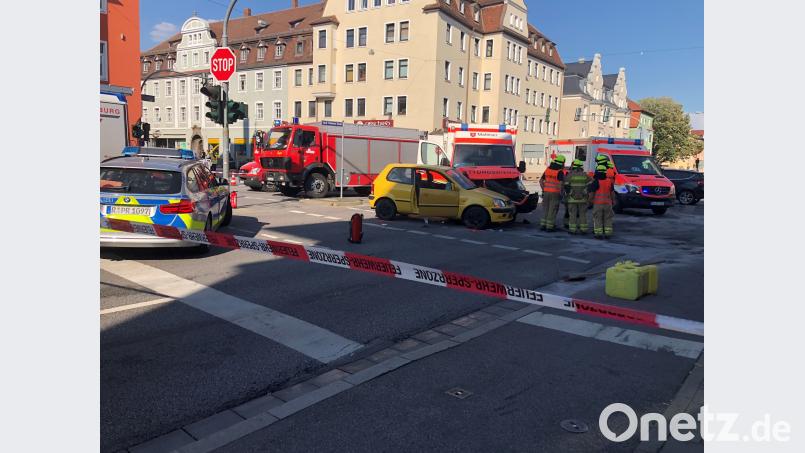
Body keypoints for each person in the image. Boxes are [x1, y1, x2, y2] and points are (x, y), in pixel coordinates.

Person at [539, 154, 566, 232]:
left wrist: (544, 189)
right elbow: (561, 184)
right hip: (555, 193)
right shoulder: (559, 172)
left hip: (546, 192)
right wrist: (561, 192)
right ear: (562, 163)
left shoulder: (547, 170)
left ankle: (543, 225)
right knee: (552, 210)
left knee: (546, 209)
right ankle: (549, 227)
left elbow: (541, 181)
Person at [564, 159, 591, 234]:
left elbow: (566, 186)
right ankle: (584, 229)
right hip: (583, 199)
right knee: (582, 214)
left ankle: (572, 230)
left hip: (572, 198)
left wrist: (569, 193)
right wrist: (585, 192)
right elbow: (591, 184)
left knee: (572, 214)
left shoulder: (570, 175)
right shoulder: (585, 175)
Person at [588, 164, 615, 239]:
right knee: (608, 218)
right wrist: (614, 201)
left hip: (598, 204)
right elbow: (612, 193)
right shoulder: (609, 181)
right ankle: (608, 233)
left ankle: (598, 234)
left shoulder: (596, 182)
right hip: (608, 204)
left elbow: (591, 194)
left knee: (598, 218)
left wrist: (589, 201)